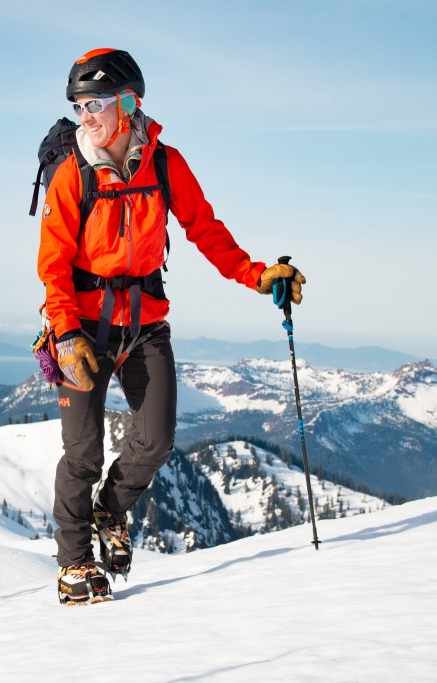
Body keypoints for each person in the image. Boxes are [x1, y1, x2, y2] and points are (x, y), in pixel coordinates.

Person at [37, 48, 305, 605]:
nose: (86, 115)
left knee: (155, 441)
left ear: (130, 102)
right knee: (81, 451)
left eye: (97, 103)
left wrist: (256, 275)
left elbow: (205, 228)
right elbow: (53, 263)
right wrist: (64, 333)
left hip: (144, 326)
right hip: (80, 329)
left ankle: (111, 509)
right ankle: (74, 564)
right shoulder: (71, 174)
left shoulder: (165, 164)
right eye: (79, 105)